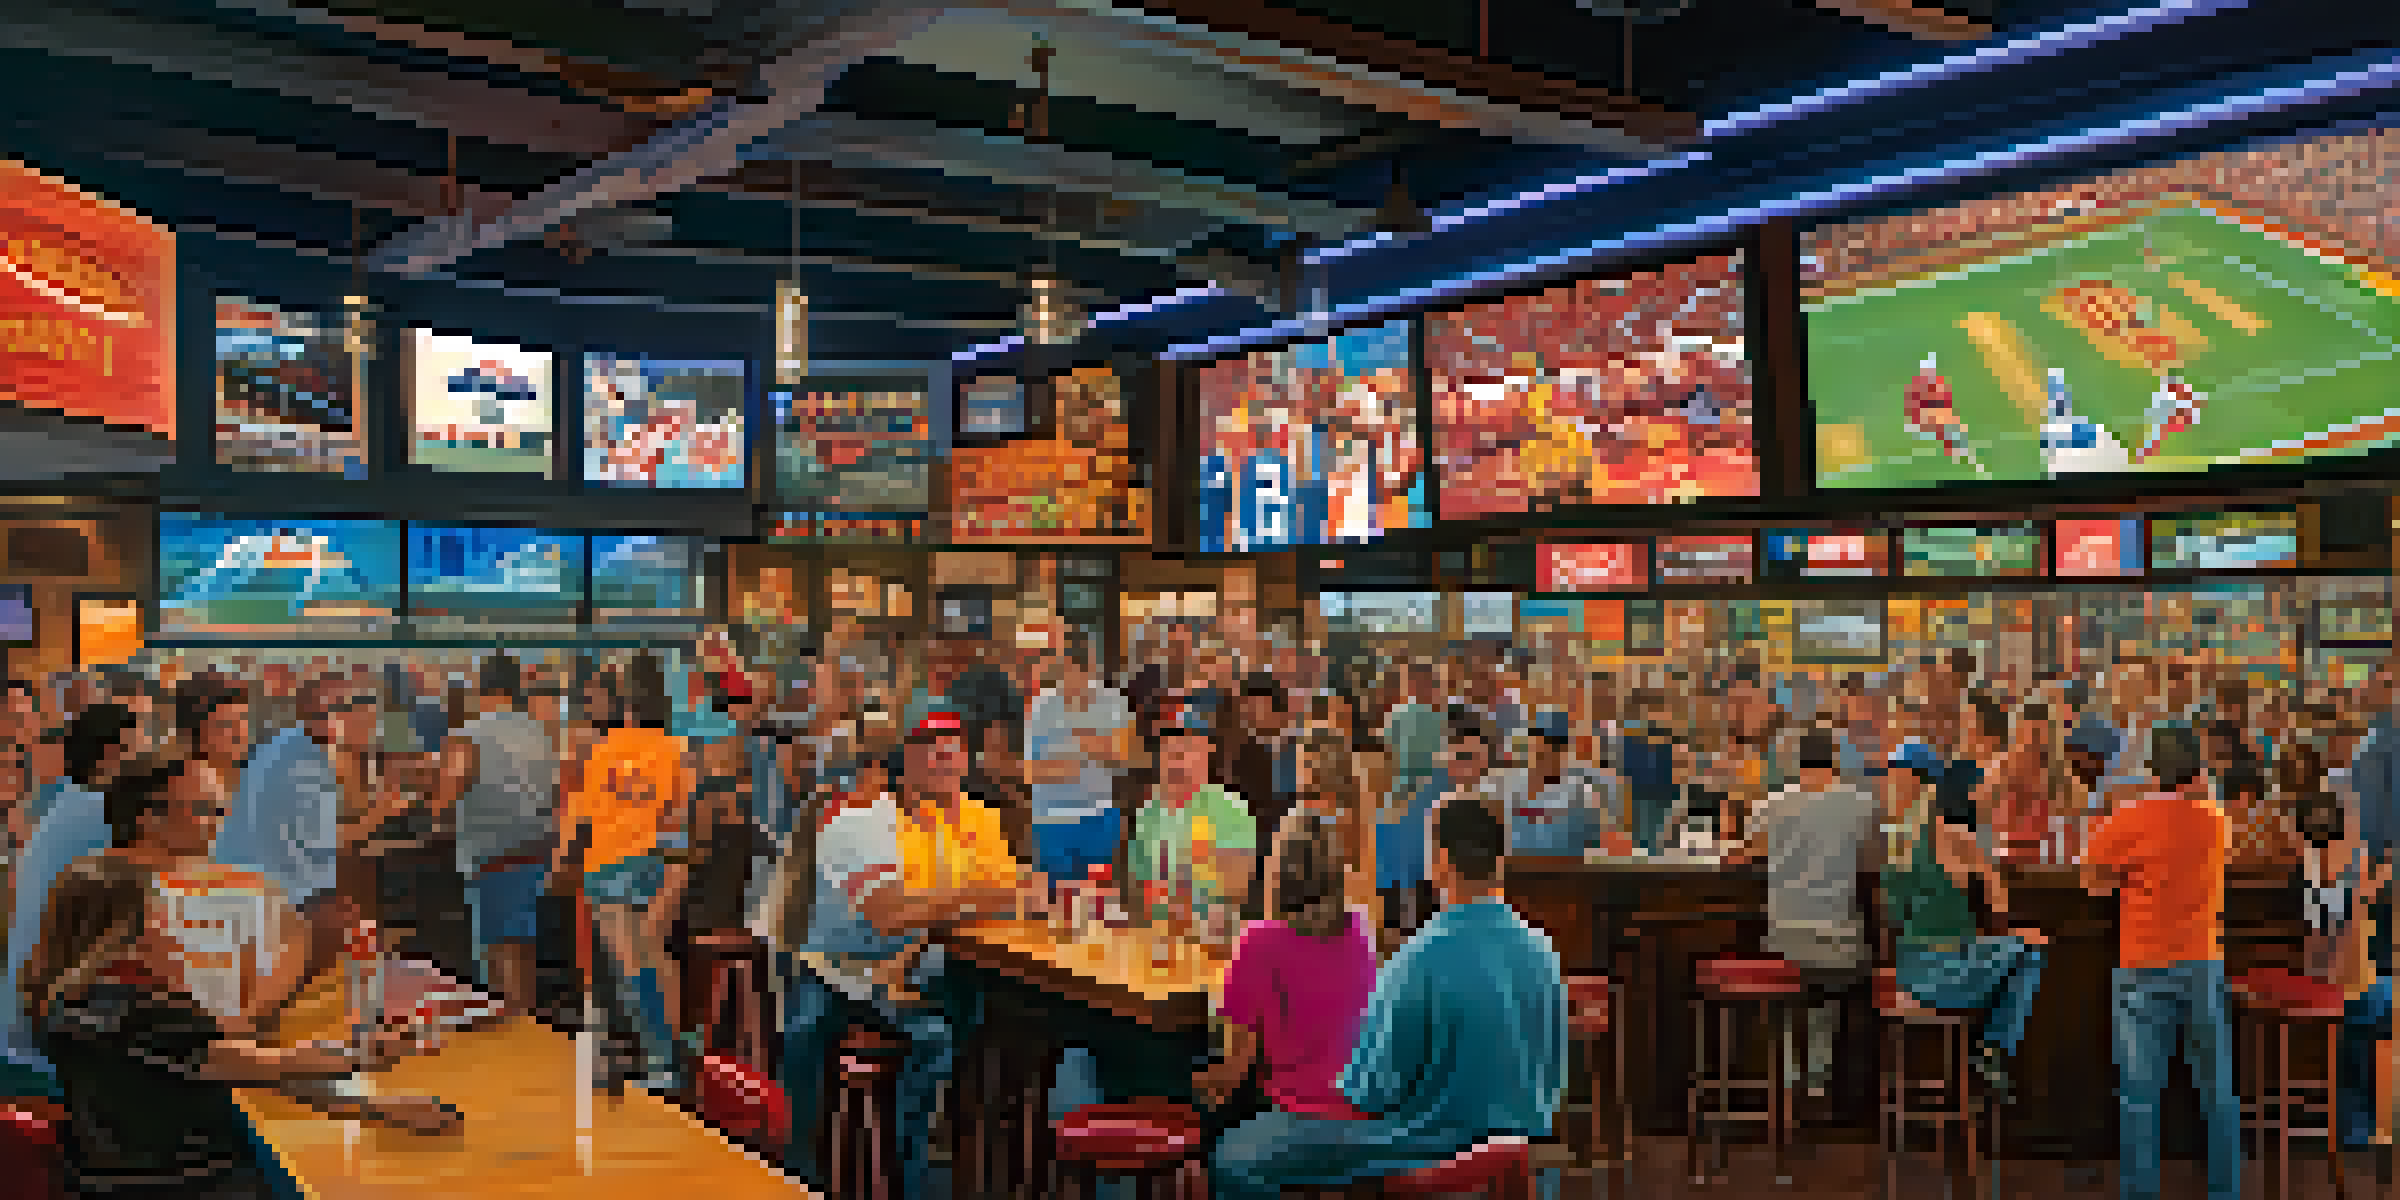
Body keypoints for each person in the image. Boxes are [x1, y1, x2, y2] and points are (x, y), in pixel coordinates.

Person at [27, 764, 449, 1199]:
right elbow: (276, 1066)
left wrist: (377, 1105)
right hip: (194, 1185)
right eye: (159, 923)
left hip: (101, 1182)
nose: (172, 935)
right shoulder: (151, 1014)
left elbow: (242, 1066)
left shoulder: (63, 1004)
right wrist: (372, 1052)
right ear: (123, 938)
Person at [1210, 795, 1565, 1199]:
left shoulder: (1422, 958)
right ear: (1500, 862)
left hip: (1429, 1148)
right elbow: (1551, 1076)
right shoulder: (1543, 952)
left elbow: (1369, 1089)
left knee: (1233, 1161)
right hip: (1513, 1150)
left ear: (1439, 863)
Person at [779, 709, 1028, 1200]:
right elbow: (892, 913)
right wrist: (972, 896)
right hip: (839, 979)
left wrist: (949, 905)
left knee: (989, 1011)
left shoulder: (932, 823)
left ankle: (978, 1156)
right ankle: (900, 1178)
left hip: (900, 969)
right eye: (931, 753)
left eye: (951, 751)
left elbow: (980, 899)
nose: (947, 764)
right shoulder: (856, 826)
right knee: (940, 1030)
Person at [2082, 726, 2240, 1200]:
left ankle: (2141, 1192)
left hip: (2141, 958)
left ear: (2152, 770)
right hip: (2201, 960)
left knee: (2138, 1094)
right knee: (2216, 1090)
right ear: (2198, 768)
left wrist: (2130, 879)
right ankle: (2225, 1190)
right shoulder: (2216, 820)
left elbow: (2091, 882)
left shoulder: (2128, 819)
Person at [1881, 741, 2051, 1103]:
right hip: (1946, 970)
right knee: (2032, 951)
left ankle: (1990, 1052)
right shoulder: (1952, 838)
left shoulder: (1895, 841)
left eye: (1895, 781)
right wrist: (2005, 931)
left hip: (1916, 971)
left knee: (2026, 949)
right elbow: (1993, 884)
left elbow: (1897, 913)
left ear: (1921, 787)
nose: (1887, 789)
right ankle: (1991, 1051)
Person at [554, 657, 691, 1087]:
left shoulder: (602, 751)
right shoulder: (675, 750)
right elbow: (677, 820)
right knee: (655, 958)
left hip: (609, 863)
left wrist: (560, 860)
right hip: (652, 861)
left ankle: (660, 1060)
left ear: (625, 701)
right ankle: (671, 1055)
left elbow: (583, 817)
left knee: (629, 966)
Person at [1197, 809, 1378, 1125]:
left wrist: (1187, 1090)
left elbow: (1233, 1072)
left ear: (1277, 869)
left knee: (1217, 1160)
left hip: (1299, 1118)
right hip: (1364, 1116)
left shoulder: (1259, 941)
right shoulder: (1360, 930)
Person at [1725, 730, 1879, 1100]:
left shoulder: (1772, 805)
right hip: (1841, 947)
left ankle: (1789, 1073)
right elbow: (1876, 861)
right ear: (1835, 764)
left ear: (1797, 765)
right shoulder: (1862, 806)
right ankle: (1820, 1078)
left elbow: (1741, 855)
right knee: (1831, 981)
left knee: (1793, 984)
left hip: (1782, 944)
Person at [0, 703, 140, 1094]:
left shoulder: (68, 804)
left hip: (26, 1011)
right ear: (112, 754)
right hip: (49, 1031)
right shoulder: (99, 814)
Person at [215, 675, 367, 986]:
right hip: (281, 897)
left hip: (253, 890)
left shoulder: (283, 745)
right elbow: (331, 842)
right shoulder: (305, 762)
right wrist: (388, 808)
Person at [434, 653, 557, 1015]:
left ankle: (510, 1033)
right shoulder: (541, 732)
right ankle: (530, 1026)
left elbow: (445, 797)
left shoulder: (468, 735)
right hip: (537, 850)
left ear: (481, 687)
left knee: (496, 952)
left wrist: (432, 802)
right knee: (523, 947)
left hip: (491, 854)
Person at [1023, 649, 1133, 882]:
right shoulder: (1042, 706)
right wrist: (1066, 767)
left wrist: (1082, 742)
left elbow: (1122, 758)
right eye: (1069, 670)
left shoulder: (1113, 702)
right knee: (1055, 900)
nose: (1077, 678)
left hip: (1099, 817)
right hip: (1051, 819)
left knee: (1098, 899)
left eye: (1084, 670)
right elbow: (1030, 772)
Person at [1512, 709, 1612, 855]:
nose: (1536, 757)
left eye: (1545, 751)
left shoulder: (1579, 792)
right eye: (1533, 750)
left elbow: (1589, 841)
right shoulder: (1516, 787)